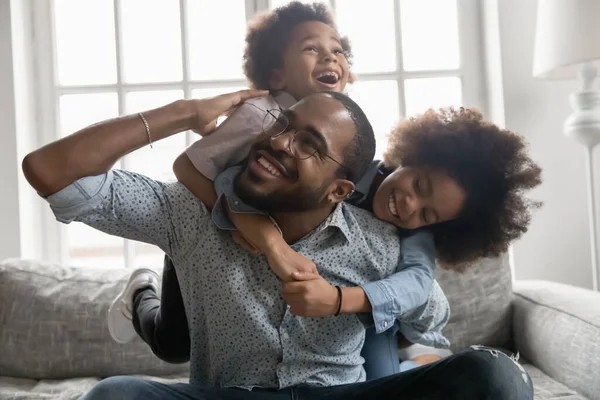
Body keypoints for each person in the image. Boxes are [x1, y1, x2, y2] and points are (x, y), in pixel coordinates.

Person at [23, 89, 535, 399]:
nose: (279, 141)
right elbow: (49, 171)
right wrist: (184, 113)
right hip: (230, 396)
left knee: (497, 376)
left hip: (341, 395)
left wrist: (343, 301)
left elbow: (428, 307)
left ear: (341, 191)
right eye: (284, 125)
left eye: (309, 145)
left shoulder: (383, 244)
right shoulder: (188, 213)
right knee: (116, 395)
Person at [109, 1, 449, 379]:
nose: (330, 57)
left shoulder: (346, 143)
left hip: (322, 308)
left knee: (381, 358)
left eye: (338, 51)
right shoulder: (258, 115)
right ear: (276, 75)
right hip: (211, 236)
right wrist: (251, 227)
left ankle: (409, 357)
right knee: (174, 345)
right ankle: (141, 290)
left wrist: (340, 301)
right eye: (312, 49)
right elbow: (193, 168)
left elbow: (419, 285)